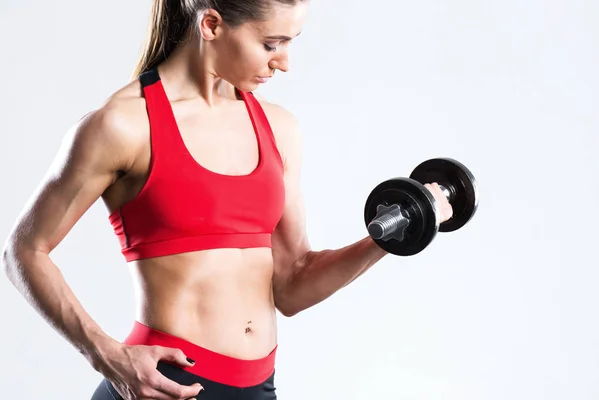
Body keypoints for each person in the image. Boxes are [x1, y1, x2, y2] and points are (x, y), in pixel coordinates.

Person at [1, 0, 454, 399]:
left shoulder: (278, 129)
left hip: (258, 387)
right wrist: (107, 356)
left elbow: (293, 284)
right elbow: (23, 250)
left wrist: (395, 233)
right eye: (271, 43)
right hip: (164, 389)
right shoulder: (124, 125)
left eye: (291, 42)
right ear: (212, 25)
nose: (284, 63)